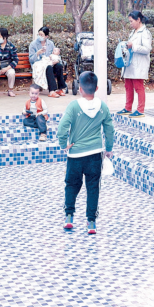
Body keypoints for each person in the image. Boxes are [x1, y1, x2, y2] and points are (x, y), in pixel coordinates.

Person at [57, 71, 114, 235]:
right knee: (93, 187)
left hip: (75, 155)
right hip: (95, 154)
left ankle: (69, 216)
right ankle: (91, 222)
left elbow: (62, 128)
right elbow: (109, 129)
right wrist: (108, 148)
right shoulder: (103, 106)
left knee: (71, 185)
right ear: (96, 88)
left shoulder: (74, 106)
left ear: (80, 89)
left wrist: (64, 144)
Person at [117, 11, 152, 118]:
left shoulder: (145, 33)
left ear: (138, 20)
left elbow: (147, 49)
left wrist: (133, 46)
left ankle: (140, 110)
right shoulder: (133, 32)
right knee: (128, 86)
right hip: (130, 63)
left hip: (138, 64)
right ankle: (128, 108)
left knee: (138, 87)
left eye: (131, 21)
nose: (130, 23)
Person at [29, 27, 66, 98]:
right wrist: (37, 53)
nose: (39, 36)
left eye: (41, 35)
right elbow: (31, 59)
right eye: (39, 34)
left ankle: (60, 88)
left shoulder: (50, 44)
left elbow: (56, 54)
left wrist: (57, 60)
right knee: (49, 67)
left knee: (59, 66)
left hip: (50, 63)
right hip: (39, 65)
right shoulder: (33, 44)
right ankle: (52, 91)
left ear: (46, 36)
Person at [0, 27, 18, 98]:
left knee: (11, 73)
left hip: (7, 66)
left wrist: (7, 68)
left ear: (5, 37)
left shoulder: (11, 46)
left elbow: (15, 59)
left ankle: (10, 90)